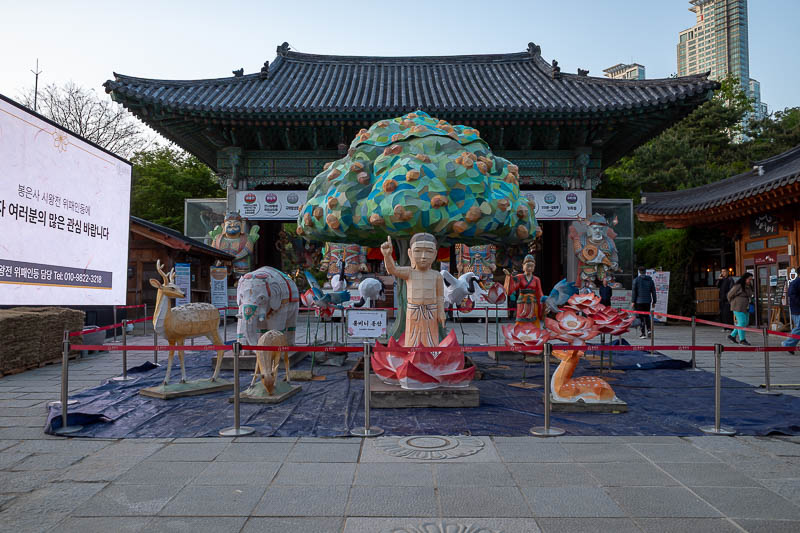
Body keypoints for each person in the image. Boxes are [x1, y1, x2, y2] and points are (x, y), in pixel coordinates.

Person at [381, 233, 445, 347]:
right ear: (410, 253)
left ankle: (430, 358)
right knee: (412, 340)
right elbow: (392, 269)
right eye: (418, 251)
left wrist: (441, 311)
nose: (423, 256)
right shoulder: (409, 272)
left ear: (435, 254)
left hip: (432, 311)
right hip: (413, 311)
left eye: (429, 251)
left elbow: (440, 296)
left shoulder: (437, 275)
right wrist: (387, 256)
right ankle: (412, 358)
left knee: (431, 339)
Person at [503, 255, 544, 329]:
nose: (530, 268)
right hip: (522, 301)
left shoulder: (536, 279)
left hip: (533, 302)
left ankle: (534, 335)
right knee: (521, 319)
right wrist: (510, 277)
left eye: (532, 266)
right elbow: (513, 287)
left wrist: (543, 302)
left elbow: (539, 293)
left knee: (534, 320)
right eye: (528, 266)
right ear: (523, 266)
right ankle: (519, 335)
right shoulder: (519, 277)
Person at [727, 272, 754, 346]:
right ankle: (742, 340)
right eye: (749, 279)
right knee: (742, 322)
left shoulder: (749, 286)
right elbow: (729, 295)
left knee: (745, 322)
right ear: (745, 279)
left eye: (751, 279)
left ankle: (732, 336)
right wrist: (733, 303)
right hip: (738, 306)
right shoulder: (738, 286)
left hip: (746, 306)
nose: (750, 281)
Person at [632, 266, 657, 339]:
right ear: (645, 271)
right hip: (647, 301)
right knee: (647, 316)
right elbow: (653, 291)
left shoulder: (636, 280)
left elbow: (634, 292)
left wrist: (633, 301)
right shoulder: (650, 280)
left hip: (639, 302)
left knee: (641, 317)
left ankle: (643, 333)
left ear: (639, 272)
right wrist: (654, 301)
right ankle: (649, 330)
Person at [781, 271, 800, 355]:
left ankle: (790, 344)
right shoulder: (795, 283)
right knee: (799, 328)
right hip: (798, 309)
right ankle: (788, 344)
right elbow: (792, 295)